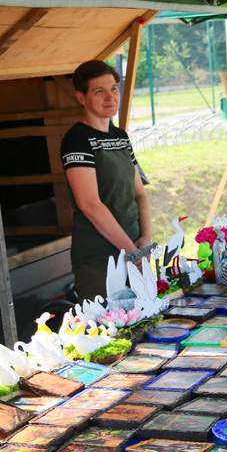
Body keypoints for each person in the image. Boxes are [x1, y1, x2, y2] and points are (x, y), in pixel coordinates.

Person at [60, 60, 152, 301]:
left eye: (113, 89)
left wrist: (146, 239)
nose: (110, 97)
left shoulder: (121, 136)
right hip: (99, 260)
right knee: (110, 334)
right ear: (82, 98)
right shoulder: (77, 139)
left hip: (134, 253)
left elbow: (139, 193)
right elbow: (89, 205)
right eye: (99, 91)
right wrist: (133, 252)